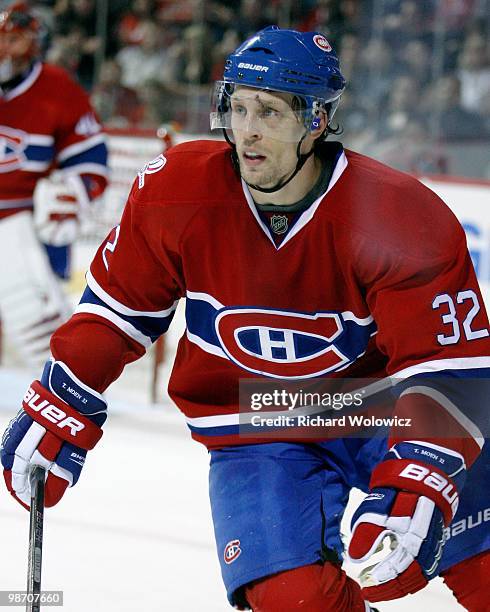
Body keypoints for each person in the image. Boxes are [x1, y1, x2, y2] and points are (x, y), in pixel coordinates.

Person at [1, 25, 489, 611]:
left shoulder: (397, 215)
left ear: (316, 121)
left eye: (272, 112)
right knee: (292, 599)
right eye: (237, 107)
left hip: (376, 403)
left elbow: (449, 365)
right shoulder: (175, 191)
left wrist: (422, 474)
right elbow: (118, 308)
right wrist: (66, 392)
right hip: (254, 417)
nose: (248, 130)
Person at [0, 2, 108, 365]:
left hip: (21, 229)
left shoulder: (58, 90)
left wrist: (71, 192)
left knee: (45, 351)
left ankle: (56, 405)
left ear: (32, 43)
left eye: (12, 40)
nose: (3, 50)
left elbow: (91, 162)